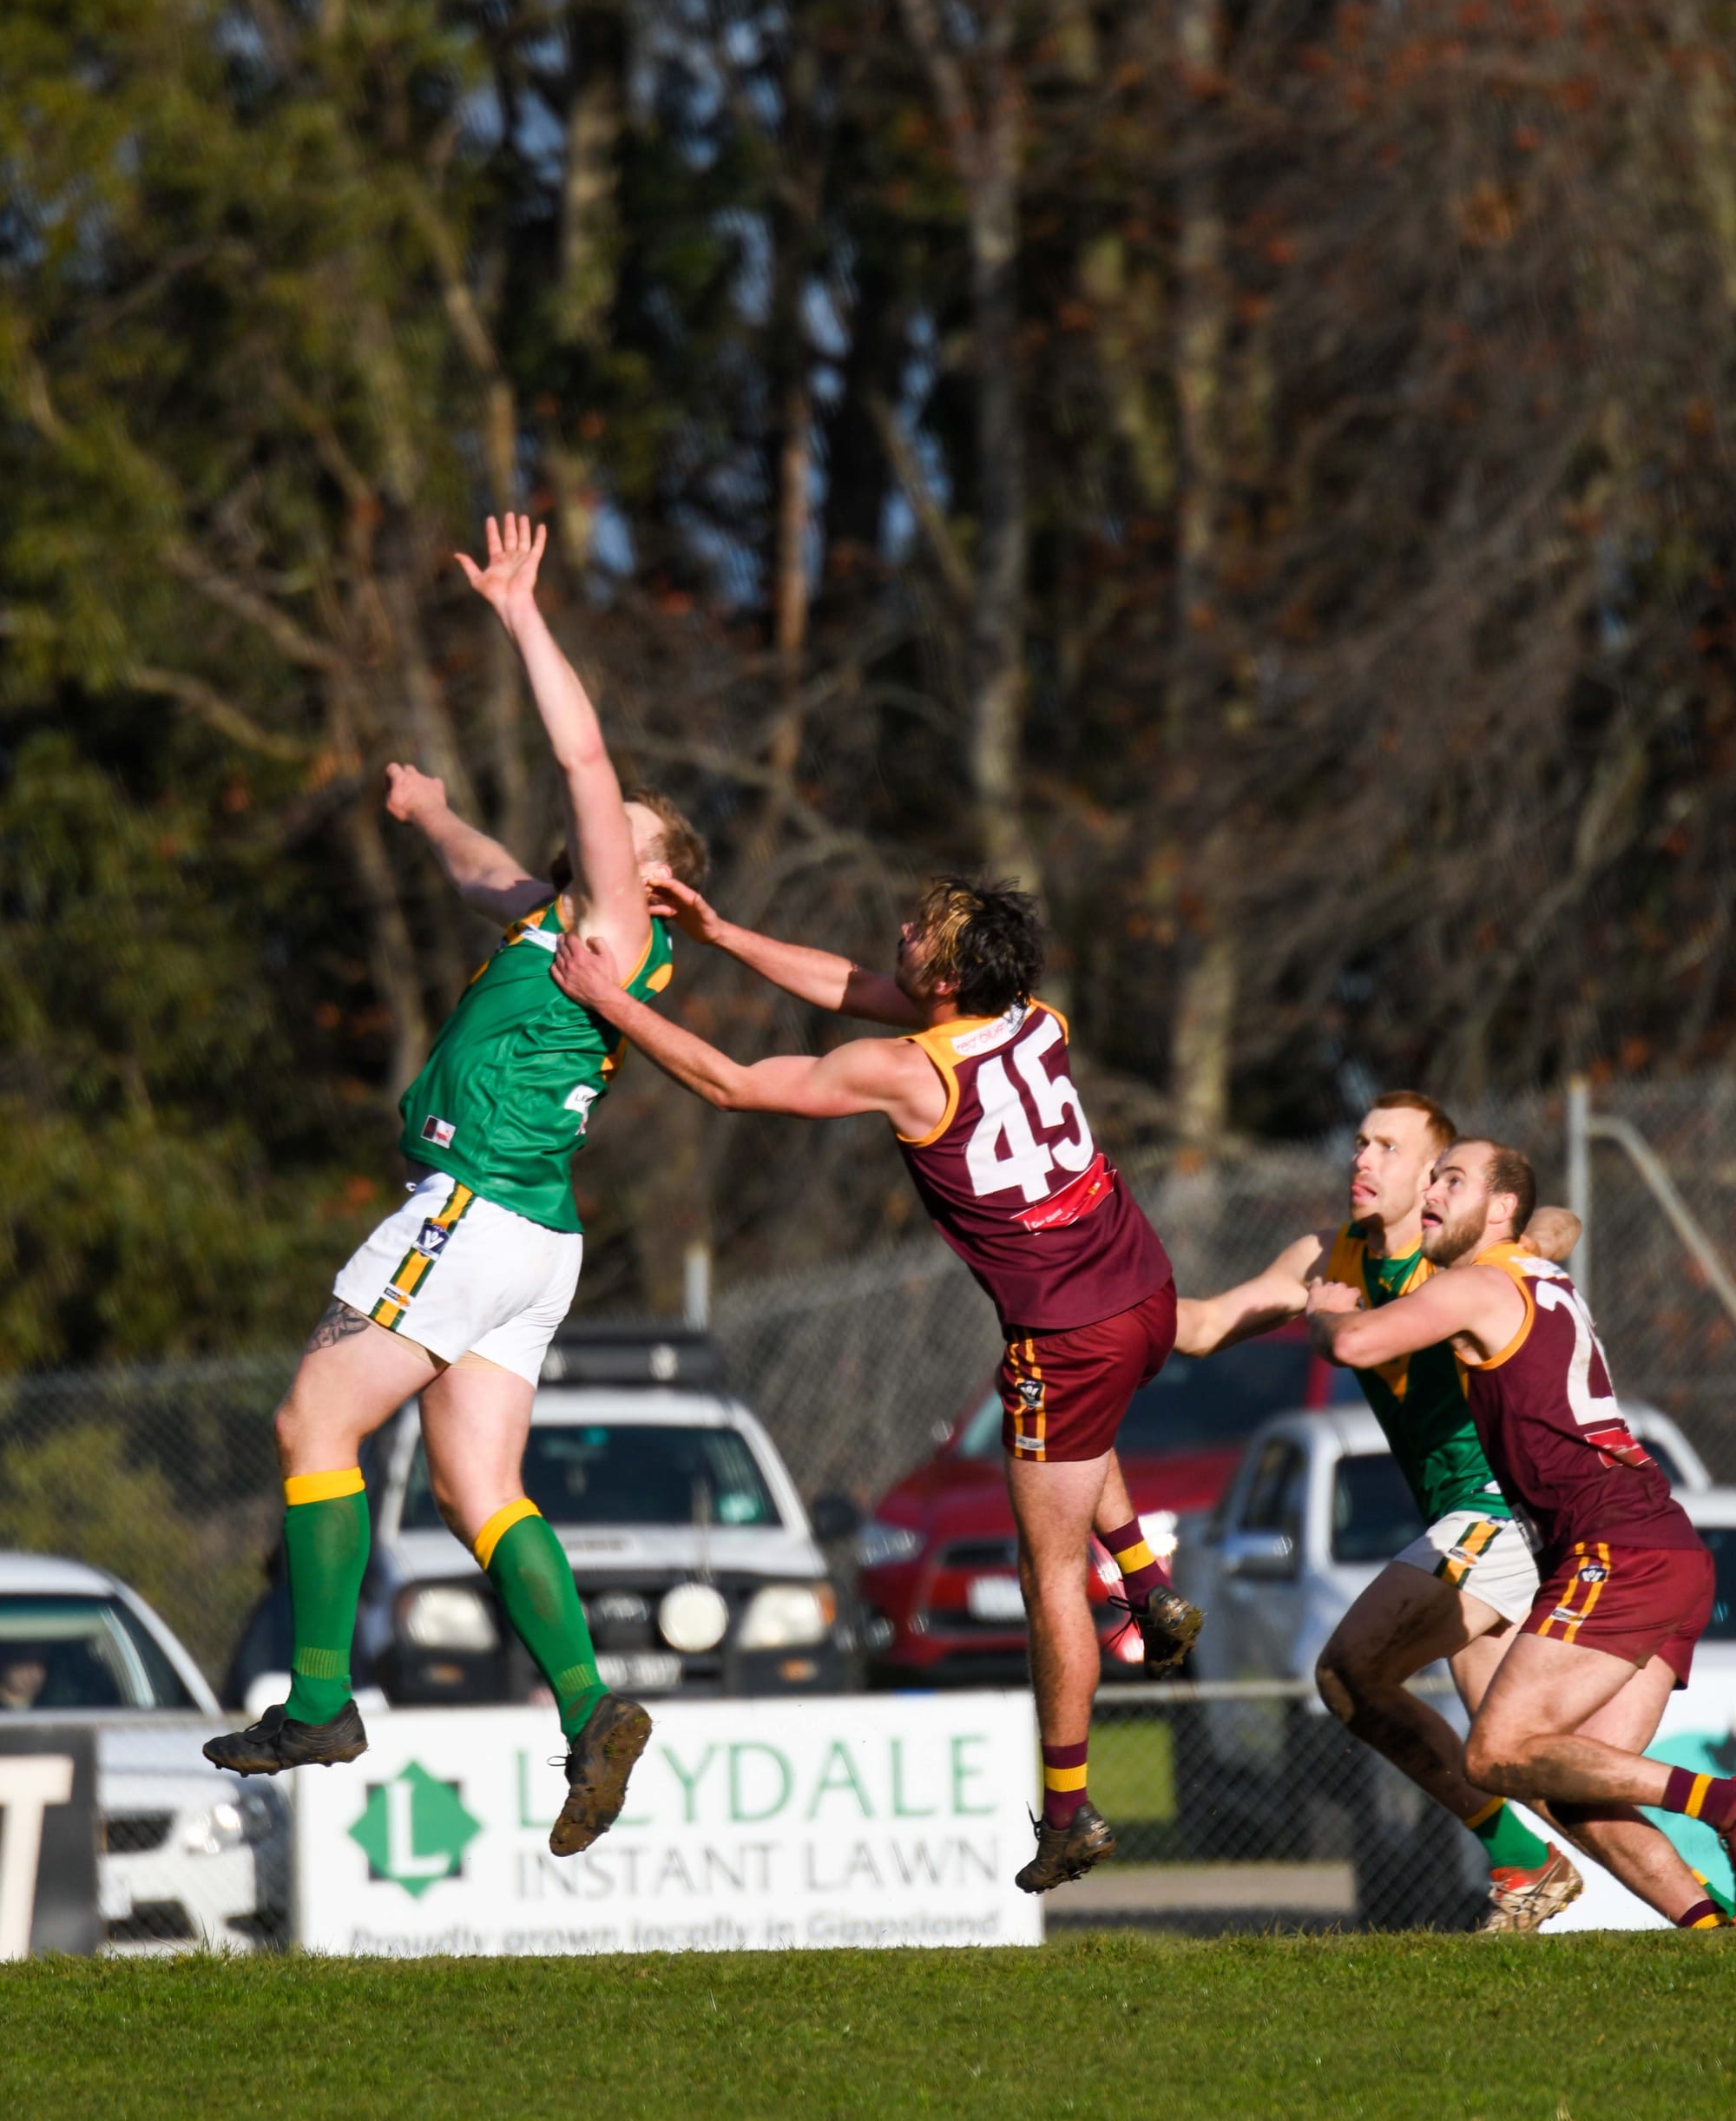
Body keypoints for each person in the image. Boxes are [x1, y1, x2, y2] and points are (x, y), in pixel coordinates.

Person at [206, 517, 705, 1861]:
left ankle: (319, 1701)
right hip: (535, 1238)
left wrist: (523, 616)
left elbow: (585, 759)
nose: (600, 832)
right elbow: (495, 873)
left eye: (626, 840)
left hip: (472, 1209)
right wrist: (432, 814)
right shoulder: (558, 926)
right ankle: (593, 1707)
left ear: (655, 885)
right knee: (479, 1490)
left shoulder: (620, 925)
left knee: (315, 1419)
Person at [549, 873, 1202, 1894]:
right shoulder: (1034, 1022)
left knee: (1045, 1577)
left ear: (945, 975)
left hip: (1068, 1337)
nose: (898, 931)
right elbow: (850, 987)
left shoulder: (906, 1074)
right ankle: (1150, 1585)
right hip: (1143, 1287)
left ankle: (1069, 1815)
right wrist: (720, 930)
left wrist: (609, 999)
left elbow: (730, 1083)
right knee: (1068, 1434)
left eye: (920, 930)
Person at [1174, 1092, 1589, 1930]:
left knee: (1356, 1677)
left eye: (1387, 1149)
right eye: (1359, 1143)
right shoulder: (1329, 1259)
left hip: (1498, 1517)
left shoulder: (1461, 1261)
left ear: (1438, 1181)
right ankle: (1700, 1905)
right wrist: (1092, 1317)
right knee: (1514, 1762)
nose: (1361, 1160)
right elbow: (1208, 1324)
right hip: (1462, 1524)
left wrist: (1525, 1245)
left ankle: (1531, 1859)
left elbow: (1562, 1218)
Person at [1309, 1138, 1726, 1930]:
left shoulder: (1480, 1281)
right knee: (1577, 1785)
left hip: (1616, 1548)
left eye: (1450, 1178)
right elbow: (1553, 1228)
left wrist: (1329, 1318)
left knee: (1494, 1754)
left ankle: (1725, 1803)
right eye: (1431, 1178)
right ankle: (1712, 1934)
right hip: (1663, 1546)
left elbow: (1361, 1344)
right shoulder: (1535, 1270)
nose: (1432, 1189)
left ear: (1501, 1208)